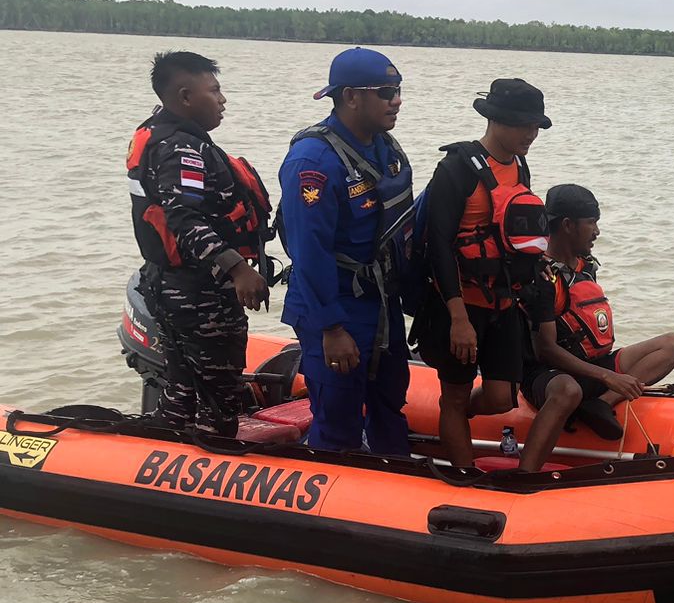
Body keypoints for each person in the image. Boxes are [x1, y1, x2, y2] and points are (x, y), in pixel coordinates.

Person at [127, 50, 271, 437]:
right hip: (197, 293)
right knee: (219, 403)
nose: (223, 99)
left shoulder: (162, 134)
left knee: (182, 392)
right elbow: (183, 219)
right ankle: (211, 458)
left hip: (169, 285)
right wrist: (238, 269)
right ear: (186, 97)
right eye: (215, 90)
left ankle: (168, 458)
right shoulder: (181, 149)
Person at [413, 79, 555, 470]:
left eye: (536, 127)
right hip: (458, 305)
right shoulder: (456, 168)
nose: (531, 134)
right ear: (496, 120)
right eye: (524, 125)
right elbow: (437, 246)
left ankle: (451, 418)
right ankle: (464, 473)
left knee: (500, 398)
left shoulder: (519, 166)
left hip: (504, 303)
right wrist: (458, 318)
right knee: (456, 394)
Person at [277, 48, 413, 455]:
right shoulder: (313, 160)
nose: (397, 100)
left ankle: (396, 492)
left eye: (399, 90)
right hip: (334, 306)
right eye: (386, 91)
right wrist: (332, 329)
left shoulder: (385, 149)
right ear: (351, 96)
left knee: (391, 404)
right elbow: (309, 251)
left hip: (381, 304)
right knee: (338, 419)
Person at [522, 183, 674, 458]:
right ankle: (525, 474)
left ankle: (599, 405)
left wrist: (606, 378)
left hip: (591, 366)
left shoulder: (585, 266)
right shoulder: (542, 275)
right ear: (567, 225)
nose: (597, 232)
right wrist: (608, 376)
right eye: (591, 223)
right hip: (547, 375)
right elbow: (545, 350)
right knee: (568, 389)